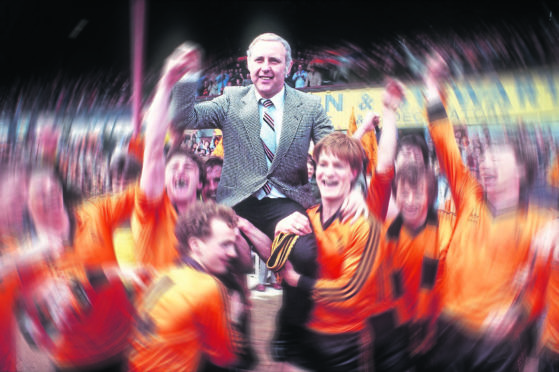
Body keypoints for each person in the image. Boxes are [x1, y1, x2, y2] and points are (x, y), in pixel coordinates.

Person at [421, 52, 558, 371]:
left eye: (498, 156)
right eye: (484, 156)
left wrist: (516, 315)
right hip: (448, 326)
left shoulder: (537, 222)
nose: (486, 162)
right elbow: (444, 140)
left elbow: (539, 290)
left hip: (497, 343)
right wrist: (431, 86)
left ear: (522, 168)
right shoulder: (468, 194)